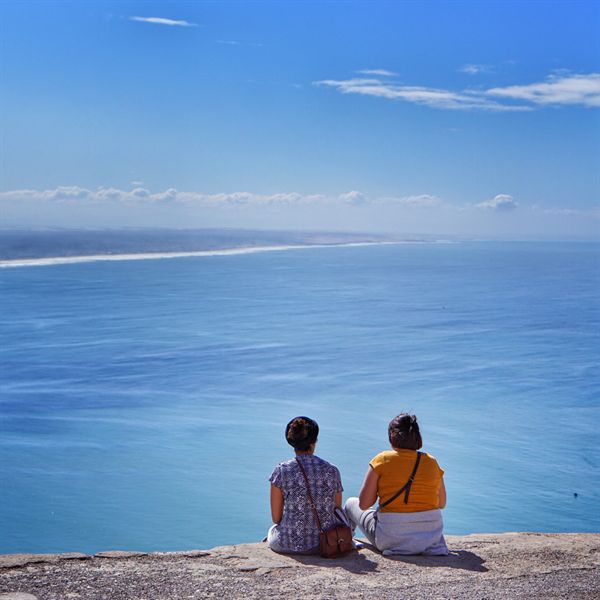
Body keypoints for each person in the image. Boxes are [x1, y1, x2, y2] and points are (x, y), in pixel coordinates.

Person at [344, 413, 449, 556]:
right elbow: (441, 503)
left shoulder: (382, 460)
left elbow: (364, 504)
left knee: (351, 503)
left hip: (391, 539)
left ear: (391, 437)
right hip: (430, 540)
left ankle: (345, 542)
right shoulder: (432, 462)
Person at [267, 416, 344, 554]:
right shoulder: (332, 470)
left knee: (272, 530)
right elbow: (337, 508)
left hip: (287, 544)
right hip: (325, 543)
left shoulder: (281, 471)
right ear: (314, 442)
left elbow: (276, 518)